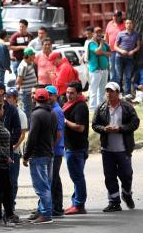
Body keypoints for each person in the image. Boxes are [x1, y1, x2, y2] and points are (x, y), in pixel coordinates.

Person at [92, 82, 140, 212]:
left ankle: (126, 193)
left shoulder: (127, 107)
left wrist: (121, 128)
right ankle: (114, 202)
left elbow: (135, 122)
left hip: (123, 148)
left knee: (126, 174)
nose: (108, 93)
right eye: (107, 91)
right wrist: (104, 129)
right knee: (109, 176)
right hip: (107, 149)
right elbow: (95, 125)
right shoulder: (101, 107)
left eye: (111, 91)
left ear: (118, 93)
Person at [23, 88, 58, 224]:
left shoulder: (36, 114)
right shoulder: (53, 113)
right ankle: (44, 211)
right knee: (46, 185)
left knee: (41, 186)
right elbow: (55, 135)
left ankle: (46, 214)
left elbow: (32, 137)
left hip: (38, 155)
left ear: (35, 99)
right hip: (49, 153)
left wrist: (26, 155)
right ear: (47, 99)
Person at [62, 82, 89, 215]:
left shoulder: (80, 107)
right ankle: (76, 203)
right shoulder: (70, 105)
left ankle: (79, 205)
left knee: (77, 177)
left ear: (79, 94)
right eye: (67, 92)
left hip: (76, 148)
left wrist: (65, 121)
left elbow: (80, 127)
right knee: (76, 177)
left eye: (72, 93)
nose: (69, 95)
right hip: (72, 147)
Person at [5, 87, 27, 213]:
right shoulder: (4, 111)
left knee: (13, 180)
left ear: (15, 99)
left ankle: (11, 205)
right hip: (4, 151)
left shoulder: (20, 114)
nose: (6, 99)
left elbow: (22, 134)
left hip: (14, 152)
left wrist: (14, 146)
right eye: (6, 96)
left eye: (9, 97)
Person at [46, 85, 65, 217]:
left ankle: (56, 207)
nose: (48, 97)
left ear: (56, 96)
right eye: (47, 94)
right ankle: (57, 207)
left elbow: (58, 134)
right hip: (55, 149)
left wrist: (51, 148)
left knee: (53, 179)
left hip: (56, 150)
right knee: (55, 179)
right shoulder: (52, 109)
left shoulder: (56, 111)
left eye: (51, 94)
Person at [113, 19, 140, 95]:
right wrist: (121, 51)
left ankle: (127, 94)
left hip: (129, 58)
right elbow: (115, 46)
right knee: (119, 76)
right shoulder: (120, 34)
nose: (129, 24)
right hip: (119, 57)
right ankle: (118, 93)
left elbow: (138, 46)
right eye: (127, 23)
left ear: (133, 24)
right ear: (125, 25)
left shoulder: (136, 34)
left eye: (130, 23)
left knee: (128, 77)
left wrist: (133, 51)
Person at [88, 28, 111, 111]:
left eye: (100, 32)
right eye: (96, 33)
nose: (98, 34)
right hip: (95, 70)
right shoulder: (91, 43)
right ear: (93, 34)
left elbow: (109, 53)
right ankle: (92, 108)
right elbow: (97, 51)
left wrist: (103, 52)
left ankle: (100, 107)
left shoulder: (105, 43)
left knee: (102, 90)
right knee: (94, 90)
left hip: (104, 69)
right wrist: (101, 43)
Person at [17, 48, 37, 120]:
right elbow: (19, 81)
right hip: (27, 93)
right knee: (27, 112)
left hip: (31, 92)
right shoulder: (23, 66)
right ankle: (28, 129)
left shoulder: (30, 63)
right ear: (29, 56)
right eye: (33, 55)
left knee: (31, 111)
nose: (35, 56)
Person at [105, 11, 125, 82]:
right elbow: (106, 35)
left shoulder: (124, 24)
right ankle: (113, 84)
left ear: (120, 17)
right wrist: (106, 47)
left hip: (120, 50)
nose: (115, 18)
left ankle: (119, 84)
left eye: (117, 16)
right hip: (111, 50)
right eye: (114, 16)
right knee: (112, 68)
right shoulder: (110, 23)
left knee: (118, 68)